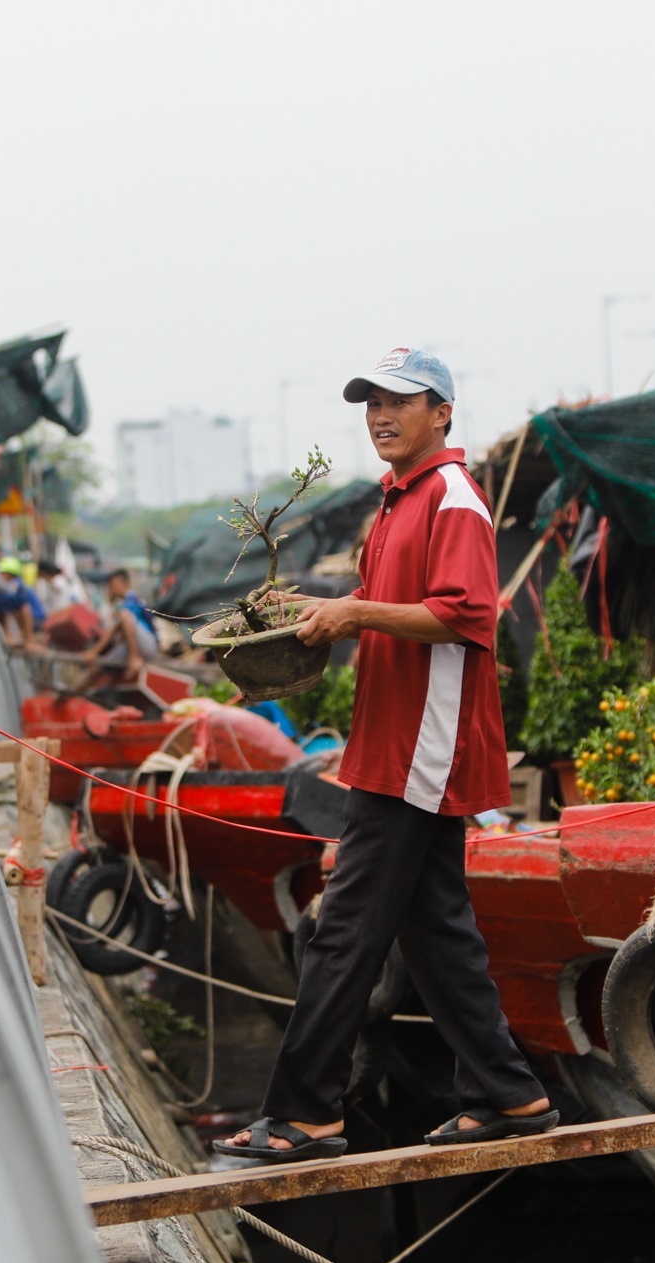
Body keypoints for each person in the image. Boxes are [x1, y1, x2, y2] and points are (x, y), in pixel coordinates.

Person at [216, 348, 554, 1163]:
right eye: (370, 401)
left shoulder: (452, 498)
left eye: (399, 400)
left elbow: (465, 615)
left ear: (442, 412)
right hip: (393, 739)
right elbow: (379, 610)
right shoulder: (396, 499)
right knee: (434, 926)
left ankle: (306, 1111)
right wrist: (312, 612)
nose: (379, 414)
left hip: (421, 748)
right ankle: (509, 1093)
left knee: (344, 929)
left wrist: (357, 611)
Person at [79, 568, 159, 683]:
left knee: (124, 616)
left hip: (146, 645)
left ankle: (134, 658)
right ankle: (70, 695)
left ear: (123, 584)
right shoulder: (121, 603)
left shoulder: (133, 601)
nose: (110, 589)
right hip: (131, 645)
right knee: (99, 667)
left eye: (112, 585)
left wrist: (96, 650)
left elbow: (123, 623)